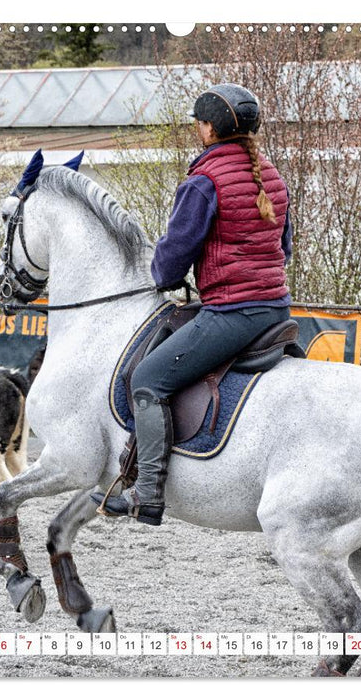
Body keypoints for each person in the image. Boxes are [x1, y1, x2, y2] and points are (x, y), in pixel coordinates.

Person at [92, 83, 293, 526]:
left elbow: (174, 254)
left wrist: (165, 275)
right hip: (276, 308)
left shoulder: (203, 182)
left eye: (198, 123)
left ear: (207, 129)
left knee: (147, 379)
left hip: (233, 314)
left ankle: (147, 493)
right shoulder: (272, 176)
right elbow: (284, 247)